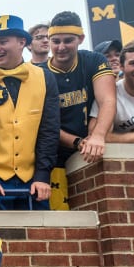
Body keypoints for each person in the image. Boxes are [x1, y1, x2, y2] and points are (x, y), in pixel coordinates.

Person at [0, 14, 60, 210]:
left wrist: (43, 176)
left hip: (34, 180)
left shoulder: (45, 78)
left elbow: (49, 131)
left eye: (3, 42)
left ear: (22, 42)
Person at [47, 11, 116, 210]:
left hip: (92, 148)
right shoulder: (41, 72)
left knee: (100, 209)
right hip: (58, 155)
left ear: (81, 39)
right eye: (55, 41)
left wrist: (98, 136)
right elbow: (45, 123)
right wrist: (78, 142)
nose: (61, 47)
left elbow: (108, 100)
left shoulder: (94, 60)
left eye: (68, 40)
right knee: (63, 216)